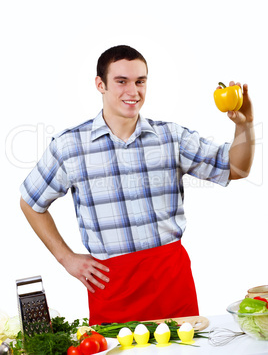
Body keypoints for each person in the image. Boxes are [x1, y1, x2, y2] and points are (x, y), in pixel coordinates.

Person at [20, 45, 255, 324]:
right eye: (122, 81)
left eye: (140, 81)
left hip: (171, 282)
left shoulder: (171, 137)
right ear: (100, 85)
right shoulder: (69, 146)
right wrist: (66, 258)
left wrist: (245, 124)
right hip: (112, 287)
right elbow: (31, 202)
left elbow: (236, 168)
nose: (133, 91)